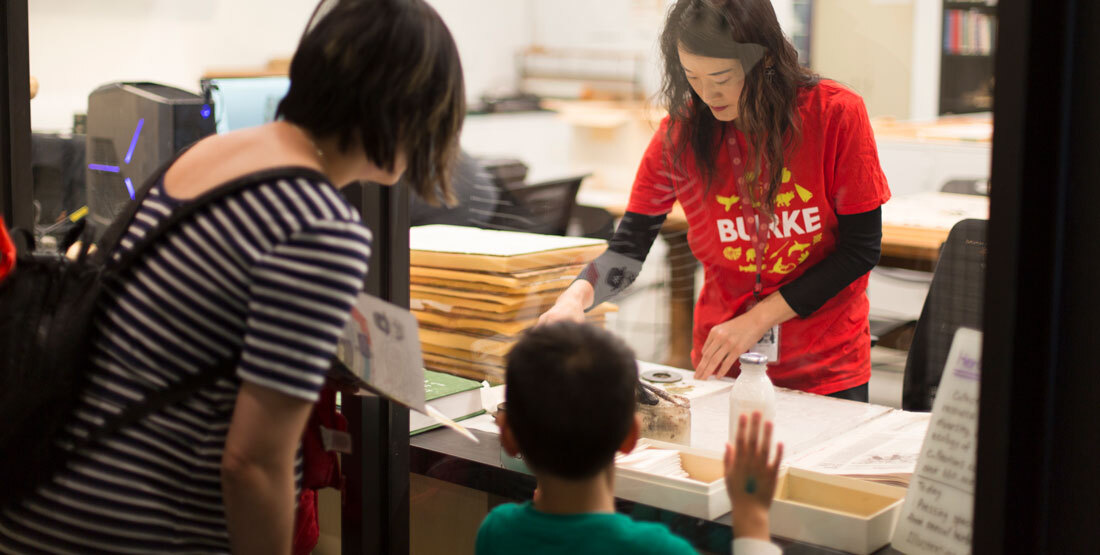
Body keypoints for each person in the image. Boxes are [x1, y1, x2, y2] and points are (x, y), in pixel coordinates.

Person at [0, 0, 464, 553]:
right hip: (137, 530)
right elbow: (254, 463)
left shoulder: (210, 154)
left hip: (47, 501)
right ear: (402, 110)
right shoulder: (318, 223)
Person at [540, 0, 890, 402]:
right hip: (724, 364)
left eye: (722, 76)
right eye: (693, 78)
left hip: (826, 367)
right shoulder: (683, 134)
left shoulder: (835, 114)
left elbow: (860, 250)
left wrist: (755, 321)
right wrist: (576, 298)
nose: (707, 94)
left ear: (767, 59)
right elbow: (628, 249)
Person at [478, 322, 782, 555]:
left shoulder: (497, 530)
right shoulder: (656, 549)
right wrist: (752, 518)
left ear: (507, 435)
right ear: (631, 435)